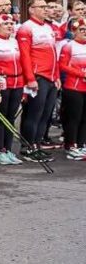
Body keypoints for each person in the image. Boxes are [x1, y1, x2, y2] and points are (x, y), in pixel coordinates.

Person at [17, 0, 59, 162]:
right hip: (38, 76)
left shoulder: (48, 27)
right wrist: (30, 78)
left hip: (51, 77)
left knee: (46, 114)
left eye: (46, 6)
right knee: (34, 113)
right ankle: (28, 147)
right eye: (41, 7)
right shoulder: (26, 28)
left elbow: (53, 54)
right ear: (31, 9)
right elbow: (24, 55)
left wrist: (56, 76)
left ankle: (37, 144)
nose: (45, 9)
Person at [0, 14, 24, 165]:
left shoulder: (14, 41)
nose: (10, 26)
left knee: (11, 117)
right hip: (3, 81)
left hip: (17, 82)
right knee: (1, 117)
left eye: (11, 24)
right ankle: (1, 151)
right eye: (6, 24)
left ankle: (9, 149)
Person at [58, 17, 86, 159]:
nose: (85, 32)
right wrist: (81, 74)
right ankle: (71, 145)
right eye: (82, 30)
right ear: (74, 31)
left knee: (84, 117)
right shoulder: (69, 46)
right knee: (74, 117)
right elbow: (62, 65)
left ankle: (81, 144)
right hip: (73, 87)